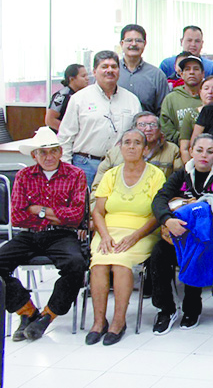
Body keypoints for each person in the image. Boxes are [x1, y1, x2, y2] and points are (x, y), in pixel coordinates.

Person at [1, 127, 87, 341]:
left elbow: (76, 217)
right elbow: (18, 217)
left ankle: (48, 315)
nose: (49, 157)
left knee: (76, 264)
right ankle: (27, 311)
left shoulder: (75, 174)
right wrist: (57, 214)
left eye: (53, 151)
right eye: (43, 152)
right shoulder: (24, 175)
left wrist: (38, 210)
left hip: (62, 235)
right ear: (34, 155)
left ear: (60, 152)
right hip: (28, 234)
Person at [86, 128, 166, 346]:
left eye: (137, 143)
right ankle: (98, 322)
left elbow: (157, 214)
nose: (131, 147)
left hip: (141, 233)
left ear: (146, 149)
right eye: (127, 142)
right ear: (120, 147)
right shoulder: (111, 175)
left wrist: (135, 236)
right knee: (99, 263)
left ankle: (118, 322)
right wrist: (104, 235)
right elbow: (98, 212)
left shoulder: (156, 175)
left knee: (121, 262)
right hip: (108, 231)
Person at [149, 133, 213, 334]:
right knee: (158, 254)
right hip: (179, 233)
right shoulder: (181, 174)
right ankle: (166, 309)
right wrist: (168, 220)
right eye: (199, 150)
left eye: (209, 151)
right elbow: (159, 199)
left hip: (211, 239)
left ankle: (192, 307)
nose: (204, 155)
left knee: (196, 246)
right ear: (191, 151)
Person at [58, 50, 142, 187]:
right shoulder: (79, 99)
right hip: (84, 165)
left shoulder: (132, 100)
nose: (110, 70)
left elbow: (138, 136)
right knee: (84, 201)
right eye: (104, 66)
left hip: (119, 165)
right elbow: (65, 137)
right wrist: (66, 169)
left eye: (114, 66)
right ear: (94, 71)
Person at [92, 111, 182, 191]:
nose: (148, 129)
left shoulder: (171, 150)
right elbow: (98, 186)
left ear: (159, 129)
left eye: (153, 125)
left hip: (158, 199)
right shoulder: (115, 153)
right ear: (134, 128)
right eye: (142, 125)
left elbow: (180, 183)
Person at [117, 24, 169, 116]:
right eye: (129, 40)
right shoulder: (112, 72)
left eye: (138, 40)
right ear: (121, 43)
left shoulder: (157, 75)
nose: (133, 44)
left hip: (147, 125)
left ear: (145, 44)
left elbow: (163, 111)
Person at [160, 54, 206, 144]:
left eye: (196, 69)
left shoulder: (210, 97)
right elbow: (166, 128)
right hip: (178, 147)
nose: (191, 72)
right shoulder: (171, 99)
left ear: (203, 74)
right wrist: (185, 140)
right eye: (187, 69)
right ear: (181, 74)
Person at [179, 76, 213, 163]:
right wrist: (191, 167)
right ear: (200, 92)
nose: (210, 92)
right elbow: (184, 148)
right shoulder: (191, 115)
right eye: (206, 88)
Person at [46, 64, 88, 132]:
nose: (87, 78)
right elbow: (50, 120)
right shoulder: (61, 96)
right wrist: (69, 131)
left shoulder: (84, 95)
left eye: (87, 75)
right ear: (72, 79)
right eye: (83, 76)